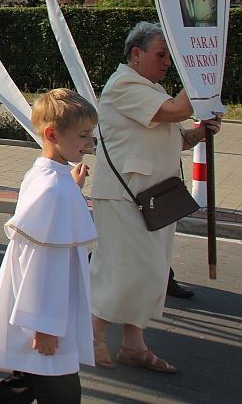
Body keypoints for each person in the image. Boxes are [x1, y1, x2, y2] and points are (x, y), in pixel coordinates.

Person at [89, 22, 222, 374]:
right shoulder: (124, 85)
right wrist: (201, 70)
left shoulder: (148, 88)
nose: (167, 63)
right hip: (124, 197)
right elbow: (176, 111)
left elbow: (173, 136)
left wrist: (198, 134)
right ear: (137, 54)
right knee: (121, 270)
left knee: (151, 272)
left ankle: (134, 345)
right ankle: (93, 336)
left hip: (153, 197)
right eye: (162, 55)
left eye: (169, 56)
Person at [0, 89, 99, 404]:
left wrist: (72, 184)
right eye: (83, 135)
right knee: (59, 388)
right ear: (52, 133)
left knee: (26, 382)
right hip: (46, 318)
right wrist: (43, 325)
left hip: (48, 313)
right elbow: (39, 261)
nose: (89, 143)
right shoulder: (53, 189)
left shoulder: (49, 175)